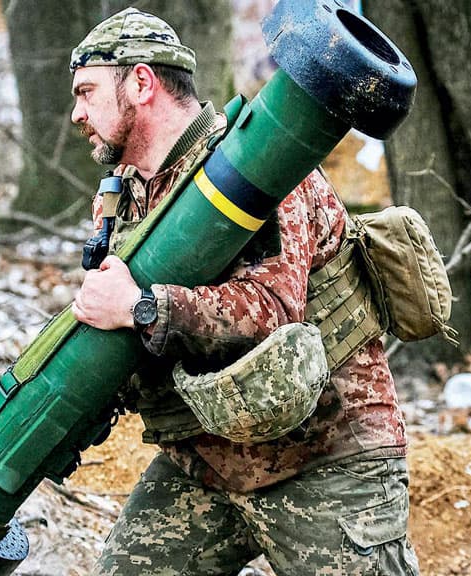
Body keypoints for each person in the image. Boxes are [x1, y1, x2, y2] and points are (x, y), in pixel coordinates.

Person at [67, 8, 420, 576]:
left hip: (327, 459)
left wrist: (142, 306)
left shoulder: (263, 164)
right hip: (209, 461)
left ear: (140, 82)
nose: (76, 113)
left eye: (87, 90)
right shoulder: (126, 196)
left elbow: (273, 312)